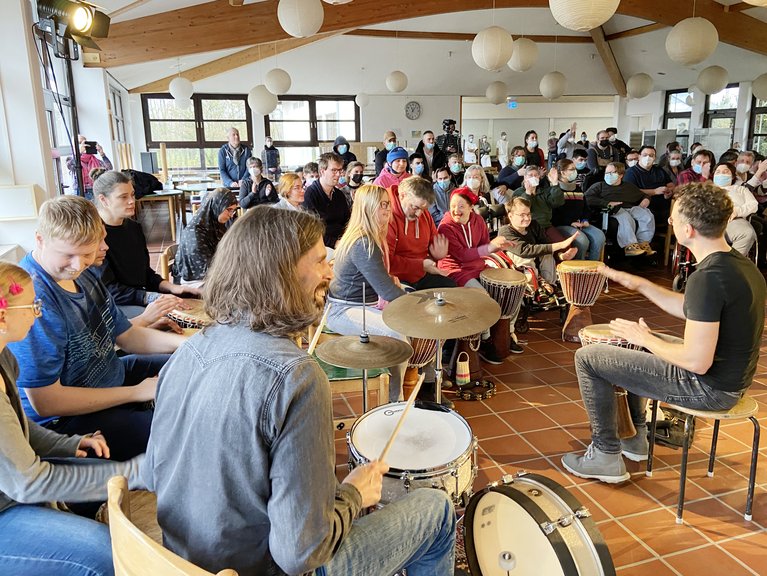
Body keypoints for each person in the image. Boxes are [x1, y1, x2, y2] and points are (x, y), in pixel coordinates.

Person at [142, 205, 456, 576]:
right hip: (266, 568)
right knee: (437, 508)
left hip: (184, 559)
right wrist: (354, 493)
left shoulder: (189, 350)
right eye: (322, 261)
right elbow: (301, 553)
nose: (330, 272)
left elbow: (154, 474)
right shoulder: (297, 377)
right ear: (283, 273)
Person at [562, 182, 766, 483]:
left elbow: (697, 362)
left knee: (588, 358)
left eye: (674, 218)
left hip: (710, 389)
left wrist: (646, 338)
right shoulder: (739, 265)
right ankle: (635, 439)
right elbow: (693, 308)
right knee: (636, 348)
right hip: (730, 381)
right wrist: (639, 284)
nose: (670, 222)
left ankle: (605, 455)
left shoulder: (708, 277)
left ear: (690, 230)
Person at [8, 196, 184, 463]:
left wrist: (191, 345)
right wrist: (138, 391)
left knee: (192, 363)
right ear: (40, 240)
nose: (79, 265)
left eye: (88, 253)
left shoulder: (85, 271)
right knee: (180, 431)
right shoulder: (33, 300)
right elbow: (46, 401)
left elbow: (126, 336)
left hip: (110, 375)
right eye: (68, 254)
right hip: (66, 420)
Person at [0, 261, 145, 575]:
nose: (38, 312)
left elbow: (19, 432)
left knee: (105, 480)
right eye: (33, 305)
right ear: (3, 316)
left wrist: (71, 444)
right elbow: (30, 482)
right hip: (9, 502)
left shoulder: (4, 356)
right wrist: (134, 470)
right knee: (102, 556)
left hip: (12, 491)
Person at [326, 184, 408, 402]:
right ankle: (396, 400)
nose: (388, 209)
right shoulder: (363, 243)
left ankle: (404, 387)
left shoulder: (367, 237)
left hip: (359, 305)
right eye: (382, 205)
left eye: (388, 204)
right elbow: (386, 291)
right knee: (398, 336)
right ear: (368, 208)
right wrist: (418, 308)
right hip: (342, 310)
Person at [92, 169, 198, 321]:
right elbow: (111, 291)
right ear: (103, 200)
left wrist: (173, 288)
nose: (131, 201)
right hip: (115, 305)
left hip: (140, 296)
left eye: (132, 195)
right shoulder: (94, 237)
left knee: (189, 304)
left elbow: (145, 274)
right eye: (123, 197)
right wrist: (154, 297)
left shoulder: (134, 228)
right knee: (172, 318)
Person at [387, 176, 455, 291]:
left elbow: (432, 247)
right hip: (397, 278)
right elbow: (389, 261)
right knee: (413, 303)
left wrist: (436, 256)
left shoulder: (424, 214)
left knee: (452, 290)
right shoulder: (387, 216)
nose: (419, 214)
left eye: (423, 209)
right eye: (415, 207)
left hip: (421, 274)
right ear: (402, 196)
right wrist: (421, 265)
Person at [437, 188, 513, 288]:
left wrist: (498, 247)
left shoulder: (478, 220)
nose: (456, 210)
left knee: (507, 285)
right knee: (481, 295)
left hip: (478, 266)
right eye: (453, 206)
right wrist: (489, 247)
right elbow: (462, 255)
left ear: (471, 207)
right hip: (455, 269)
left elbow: (484, 246)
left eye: (461, 206)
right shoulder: (445, 227)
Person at [500, 197, 578, 286]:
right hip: (518, 266)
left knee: (547, 254)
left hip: (535, 259)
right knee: (524, 258)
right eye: (522, 215)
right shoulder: (505, 231)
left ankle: (550, 285)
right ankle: (533, 289)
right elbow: (525, 250)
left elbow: (545, 244)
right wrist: (561, 245)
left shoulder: (534, 225)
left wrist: (560, 255)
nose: (526, 218)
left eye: (528, 214)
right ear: (510, 216)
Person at [585, 162, 656, 256]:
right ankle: (630, 245)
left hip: (630, 208)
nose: (608, 175)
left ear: (621, 175)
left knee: (646, 214)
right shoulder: (599, 186)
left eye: (612, 173)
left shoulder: (628, 186)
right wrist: (607, 203)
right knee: (624, 216)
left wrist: (646, 199)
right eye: (607, 173)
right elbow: (587, 198)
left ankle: (643, 243)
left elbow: (643, 195)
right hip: (611, 210)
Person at [175, 188, 239, 287]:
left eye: (233, 211)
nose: (231, 215)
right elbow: (204, 270)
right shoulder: (194, 232)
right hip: (194, 280)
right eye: (229, 210)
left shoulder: (216, 224)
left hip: (211, 273)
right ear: (216, 206)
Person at [550, 158, 605, 261]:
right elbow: (553, 213)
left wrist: (585, 220)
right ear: (562, 172)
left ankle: (593, 267)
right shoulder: (555, 189)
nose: (575, 172)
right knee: (582, 240)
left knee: (599, 236)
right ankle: (579, 268)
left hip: (580, 223)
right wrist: (570, 223)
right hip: (563, 224)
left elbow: (586, 208)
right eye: (571, 169)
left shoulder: (577, 188)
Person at [303, 152, 352, 249]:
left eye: (340, 170)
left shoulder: (339, 195)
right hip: (320, 245)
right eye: (334, 170)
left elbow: (347, 221)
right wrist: (335, 243)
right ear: (322, 172)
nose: (338, 174)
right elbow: (311, 230)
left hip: (342, 242)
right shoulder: (310, 194)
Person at [712, 162, 758, 256]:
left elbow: (753, 205)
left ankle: (731, 263)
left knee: (747, 233)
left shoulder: (740, 189)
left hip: (734, 220)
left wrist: (737, 211)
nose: (721, 174)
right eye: (718, 172)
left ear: (732, 176)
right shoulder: (705, 189)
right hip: (709, 221)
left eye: (725, 172)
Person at [512, 165, 565, 243]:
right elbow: (522, 209)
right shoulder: (518, 192)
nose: (533, 177)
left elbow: (558, 202)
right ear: (525, 178)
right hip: (527, 227)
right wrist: (528, 193)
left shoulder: (544, 191)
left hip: (545, 226)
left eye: (536, 175)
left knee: (563, 245)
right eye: (530, 175)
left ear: (539, 178)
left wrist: (555, 184)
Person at [623, 145, 674, 226]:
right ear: (639, 157)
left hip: (666, 206)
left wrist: (669, 191)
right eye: (645, 155)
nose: (648, 157)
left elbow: (671, 184)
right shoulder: (630, 173)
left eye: (651, 155)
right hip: (645, 207)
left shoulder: (659, 170)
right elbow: (631, 191)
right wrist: (654, 191)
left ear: (654, 158)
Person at [66, 135, 113, 199]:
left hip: (95, 191)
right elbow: (72, 165)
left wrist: (102, 153)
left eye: (85, 142)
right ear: (74, 147)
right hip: (80, 193)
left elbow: (109, 168)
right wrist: (79, 152)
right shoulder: (71, 159)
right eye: (80, 143)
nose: (83, 145)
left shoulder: (94, 159)